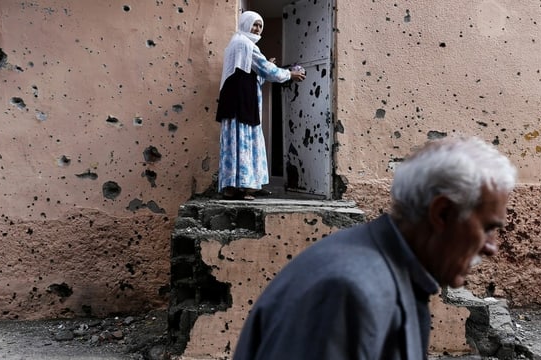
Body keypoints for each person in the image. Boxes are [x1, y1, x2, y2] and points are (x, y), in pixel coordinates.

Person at [233, 136, 518, 359]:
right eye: (488, 228)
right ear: (442, 213)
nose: (491, 247)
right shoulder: (348, 291)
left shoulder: (388, 274)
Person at [216, 11, 306, 200]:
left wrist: (264, 66)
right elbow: (266, 70)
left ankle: (233, 188)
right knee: (244, 140)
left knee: (234, 141)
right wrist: (290, 74)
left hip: (233, 99)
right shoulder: (246, 44)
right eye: (254, 24)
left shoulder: (236, 43)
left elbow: (247, 74)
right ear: (245, 23)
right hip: (241, 102)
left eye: (260, 26)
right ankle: (247, 187)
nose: (257, 29)